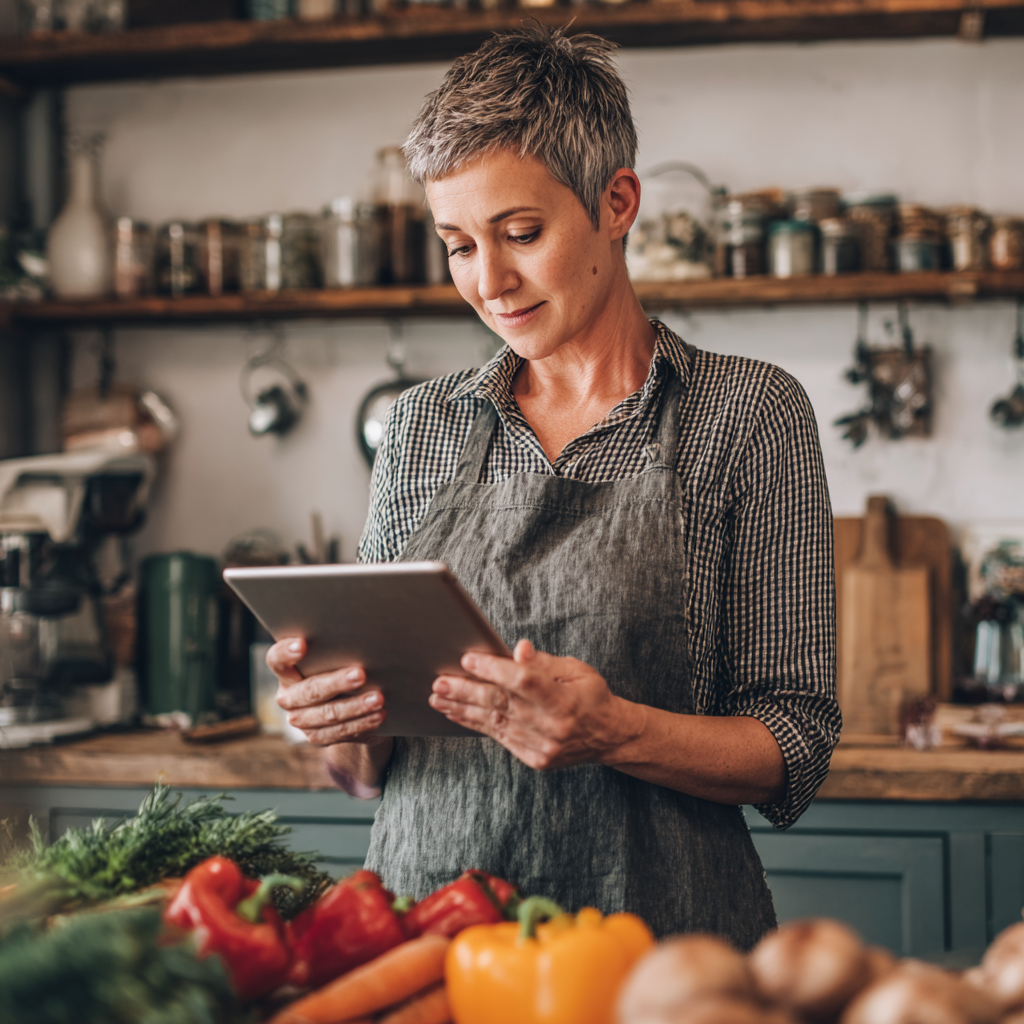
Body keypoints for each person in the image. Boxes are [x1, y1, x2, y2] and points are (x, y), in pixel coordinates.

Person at [268, 25, 839, 949]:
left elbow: (795, 744)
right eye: (457, 246)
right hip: (427, 950)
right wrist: (339, 724)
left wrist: (615, 731)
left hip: (664, 961)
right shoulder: (420, 429)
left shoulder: (747, 414)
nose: (488, 282)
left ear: (617, 203)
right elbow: (367, 774)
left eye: (520, 233)